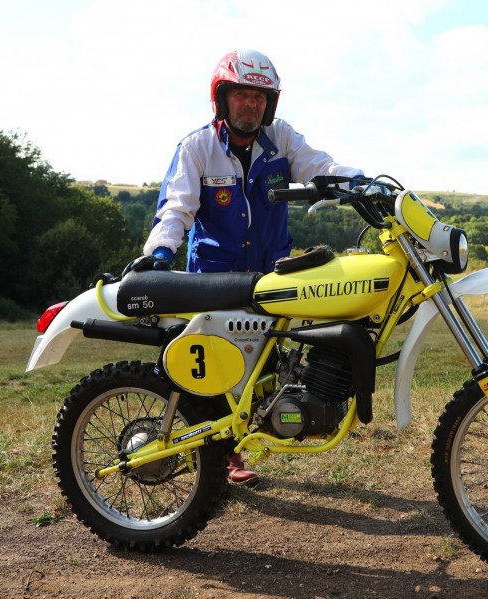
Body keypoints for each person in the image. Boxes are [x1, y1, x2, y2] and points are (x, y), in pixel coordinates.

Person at [144, 48, 363, 486]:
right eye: (242, 95)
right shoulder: (198, 148)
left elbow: (320, 167)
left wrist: (359, 181)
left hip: (270, 275)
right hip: (215, 278)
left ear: (270, 104)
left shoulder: (281, 139)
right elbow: (177, 208)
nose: (251, 104)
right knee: (216, 369)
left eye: (260, 97)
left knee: (262, 365)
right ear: (222, 98)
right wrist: (160, 252)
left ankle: (251, 437)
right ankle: (220, 456)